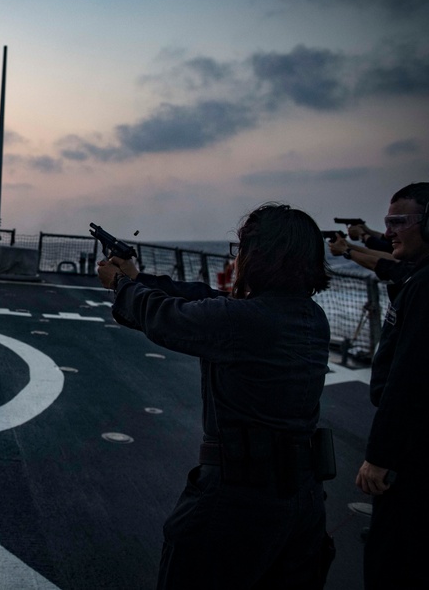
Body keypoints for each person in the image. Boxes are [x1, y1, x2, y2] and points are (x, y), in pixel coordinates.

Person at [97, 203, 334, 589]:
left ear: (260, 256)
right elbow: (206, 300)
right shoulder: (308, 316)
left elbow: (169, 318)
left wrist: (121, 286)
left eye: (241, 249)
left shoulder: (247, 321)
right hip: (301, 500)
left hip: (237, 503)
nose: (237, 259)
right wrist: (140, 279)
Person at [355, 182, 429, 589]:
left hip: (415, 458)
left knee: (396, 563)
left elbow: (412, 377)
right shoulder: (422, 277)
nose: (388, 232)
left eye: (398, 222)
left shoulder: (427, 285)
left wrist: (379, 456)